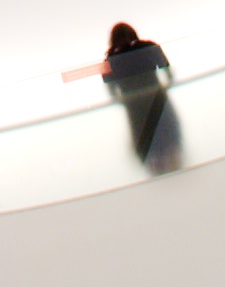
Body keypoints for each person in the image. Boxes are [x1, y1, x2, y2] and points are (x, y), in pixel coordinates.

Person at [63, 21, 183, 173]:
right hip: (157, 100)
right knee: (168, 136)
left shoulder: (111, 60)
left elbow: (111, 90)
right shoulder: (147, 48)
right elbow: (167, 71)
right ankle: (174, 168)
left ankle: (158, 170)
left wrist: (123, 100)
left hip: (135, 107)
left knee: (147, 142)